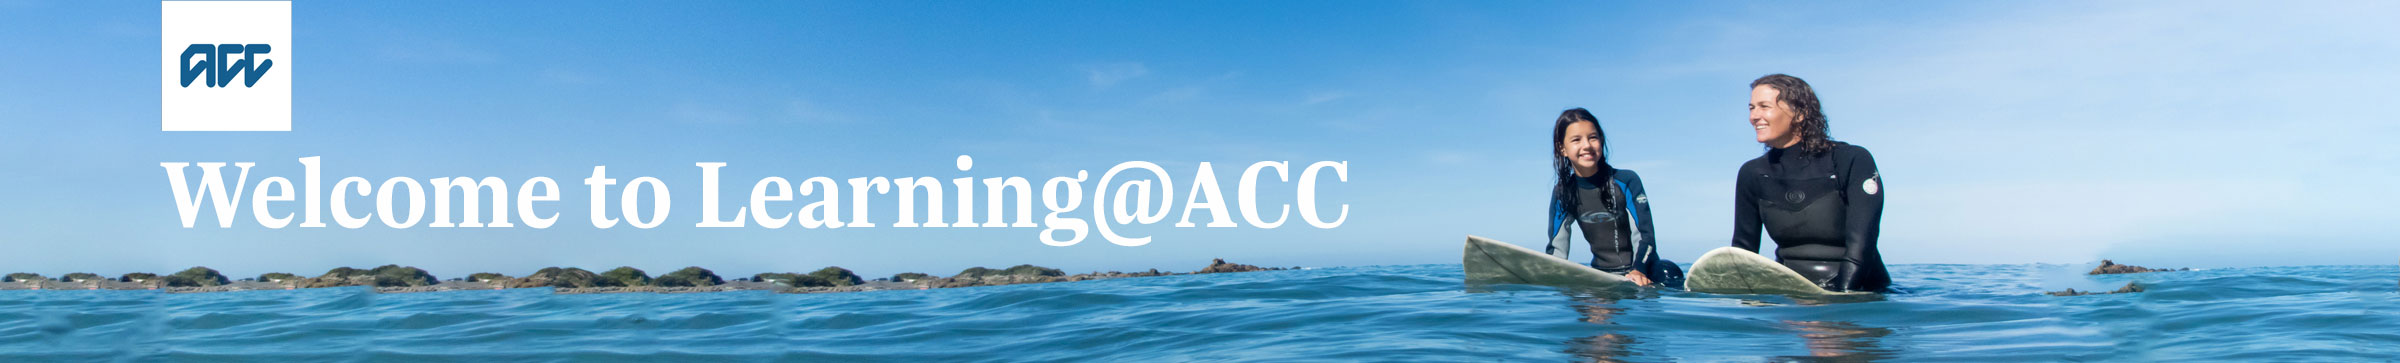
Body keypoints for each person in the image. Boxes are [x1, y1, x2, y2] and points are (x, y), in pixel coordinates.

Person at [1731, 74, 1890, 293]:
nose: (1754, 116)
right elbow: (1743, 252)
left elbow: (1861, 246)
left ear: (1800, 113)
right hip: (1792, 292)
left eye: (1764, 106)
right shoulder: (1753, 173)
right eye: (1751, 108)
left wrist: (1840, 300)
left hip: (1860, 289)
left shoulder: (1850, 160)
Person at [1546, 108, 1682, 288]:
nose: (1587, 145)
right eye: (1576, 140)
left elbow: (1645, 236)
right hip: (1603, 276)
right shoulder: (1563, 192)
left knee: (1669, 270)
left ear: (1601, 141)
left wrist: (1639, 270)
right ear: (1562, 148)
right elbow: (1557, 248)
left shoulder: (1626, 181)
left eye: (1593, 137)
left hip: (1643, 272)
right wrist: (1548, 276)